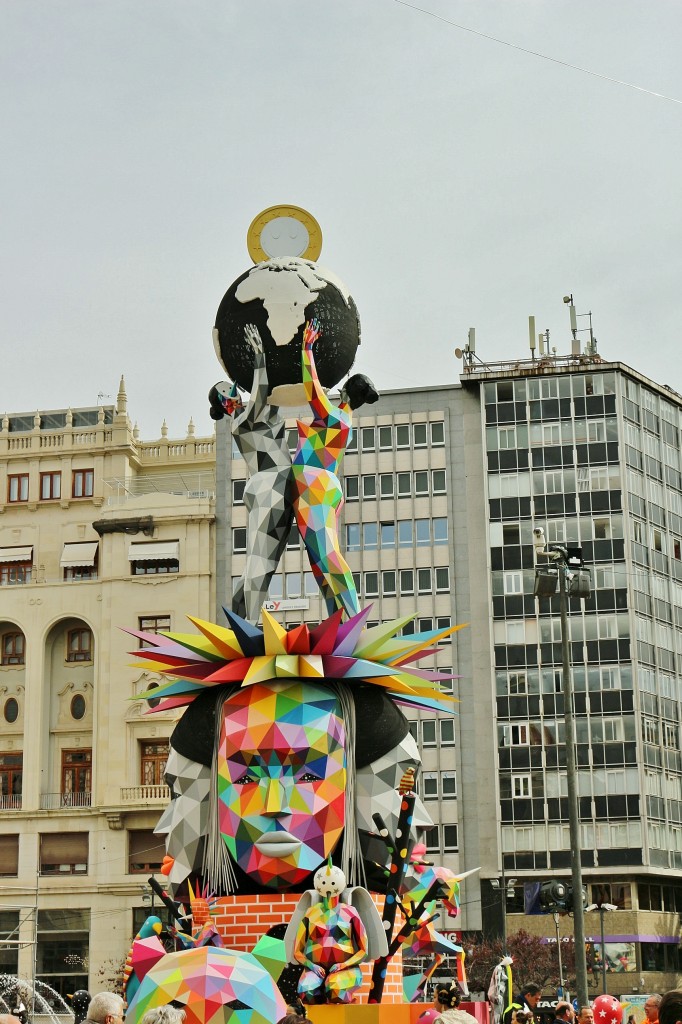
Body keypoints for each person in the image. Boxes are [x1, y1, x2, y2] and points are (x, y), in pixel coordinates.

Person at [292, 318, 378, 617]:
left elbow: (311, 388)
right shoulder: (341, 419)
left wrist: (307, 349)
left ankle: (353, 618)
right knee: (319, 561)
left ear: (344, 392)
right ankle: (338, 620)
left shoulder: (334, 418)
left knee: (327, 557)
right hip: (317, 486)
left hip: (314, 486)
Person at [225, 324, 295, 622]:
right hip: (272, 483)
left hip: (276, 484)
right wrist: (259, 357)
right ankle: (241, 623)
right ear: (226, 406)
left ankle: (242, 621)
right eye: (229, 395)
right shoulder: (241, 421)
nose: (236, 396)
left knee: (263, 561)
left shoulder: (261, 416)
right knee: (260, 562)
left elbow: (270, 395)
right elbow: (261, 392)